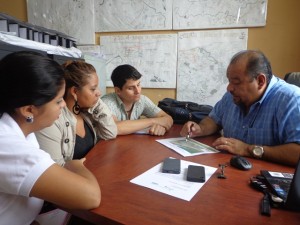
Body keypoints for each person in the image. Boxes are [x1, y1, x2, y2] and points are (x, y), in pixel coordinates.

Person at [0, 51, 100, 225]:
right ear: (29, 110)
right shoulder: (7, 146)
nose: (63, 106)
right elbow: (90, 197)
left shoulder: (24, 128)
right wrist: (74, 164)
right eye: (58, 101)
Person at [180, 50, 300, 166]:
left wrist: (248, 149)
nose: (229, 88)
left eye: (236, 82)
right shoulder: (231, 96)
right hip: (229, 169)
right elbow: (214, 120)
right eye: (229, 81)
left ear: (260, 81)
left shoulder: (291, 99)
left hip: (265, 179)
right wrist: (200, 128)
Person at [35, 60, 117, 166]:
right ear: (74, 91)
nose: (99, 93)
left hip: (92, 171)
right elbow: (56, 168)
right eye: (93, 89)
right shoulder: (53, 120)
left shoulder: (87, 113)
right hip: (72, 179)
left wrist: (96, 102)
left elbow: (110, 133)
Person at [101, 64, 173, 136]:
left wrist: (160, 127)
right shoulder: (106, 102)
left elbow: (168, 119)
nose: (138, 91)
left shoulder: (142, 100)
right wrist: (153, 121)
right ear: (118, 90)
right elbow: (115, 128)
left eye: (138, 85)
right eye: (131, 88)